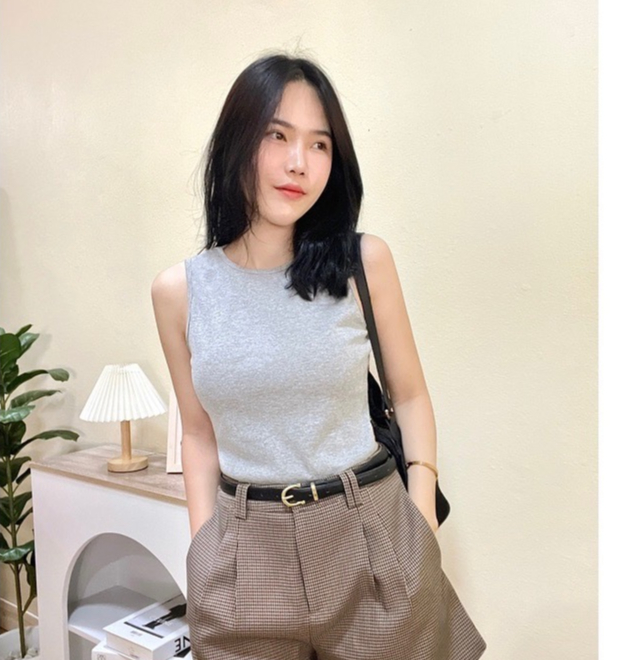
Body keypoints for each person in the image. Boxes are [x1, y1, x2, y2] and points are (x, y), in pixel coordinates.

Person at [151, 52, 487, 660]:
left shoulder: (363, 263)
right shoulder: (180, 291)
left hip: (370, 534)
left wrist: (422, 522)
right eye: (277, 136)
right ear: (236, 143)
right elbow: (198, 433)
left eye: (319, 144)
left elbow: (410, 395)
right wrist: (203, 552)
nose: (298, 163)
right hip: (244, 554)